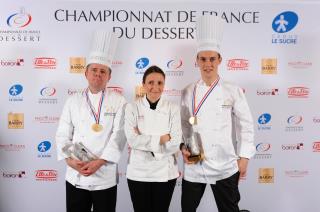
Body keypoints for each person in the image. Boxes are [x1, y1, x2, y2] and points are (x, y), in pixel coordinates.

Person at [180, 15, 256, 212]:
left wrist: (245, 156)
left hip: (225, 164)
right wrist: (183, 148)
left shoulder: (232, 89)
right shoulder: (188, 90)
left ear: (220, 59)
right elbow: (184, 126)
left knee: (230, 209)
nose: (208, 64)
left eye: (212, 59)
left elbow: (246, 124)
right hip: (195, 165)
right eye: (203, 59)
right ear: (196, 61)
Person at [55, 30, 126, 212]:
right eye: (94, 70)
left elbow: (119, 136)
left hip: (104, 176)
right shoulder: (73, 100)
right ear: (85, 73)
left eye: (103, 71)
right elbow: (63, 133)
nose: (98, 74)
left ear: (109, 76)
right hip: (75, 174)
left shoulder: (119, 101)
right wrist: (70, 161)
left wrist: (99, 162)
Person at [124, 65, 182, 212]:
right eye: (150, 82)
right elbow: (132, 140)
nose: (155, 87)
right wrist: (163, 138)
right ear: (143, 84)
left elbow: (175, 144)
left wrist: (143, 139)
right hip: (138, 173)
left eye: (160, 83)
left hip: (165, 174)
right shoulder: (132, 108)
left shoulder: (172, 108)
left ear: (164, 85)